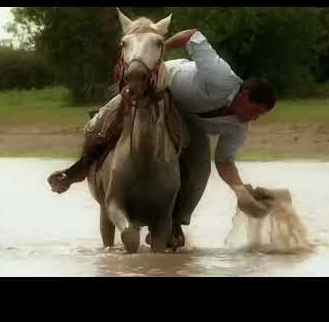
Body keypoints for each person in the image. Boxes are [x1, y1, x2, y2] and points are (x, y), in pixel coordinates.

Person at [48, 29, 277, 247]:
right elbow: (191, 35)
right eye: (255, 111)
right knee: (98, 123)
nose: (254, 119)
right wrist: (158, 52)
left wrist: (239, 190)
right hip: (157, 87)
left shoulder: (239, 127)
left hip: (188, 120)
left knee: (201, 168)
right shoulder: (221, 75)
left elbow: (225, 162)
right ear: (244, 95)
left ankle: (176, 221)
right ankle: (73, 173)